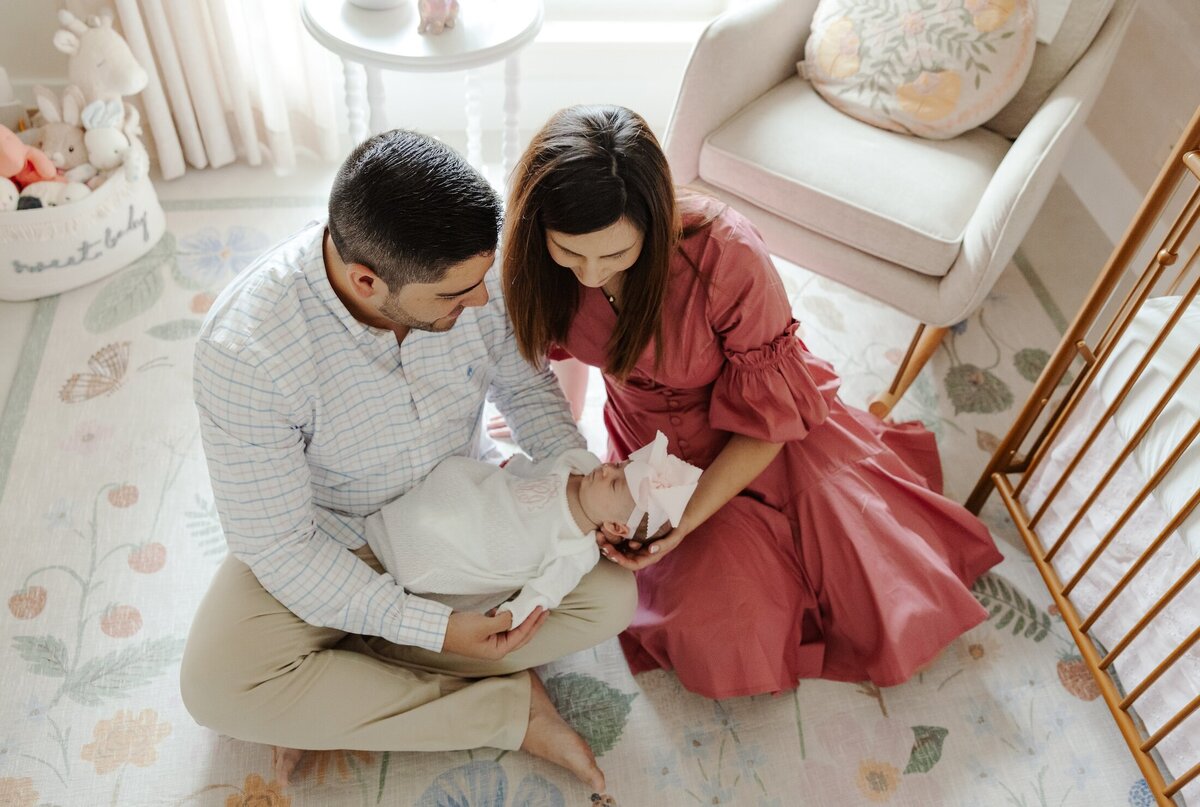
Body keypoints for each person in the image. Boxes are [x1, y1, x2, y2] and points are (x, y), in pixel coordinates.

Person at [179, 129, 636, 793]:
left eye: (481, 281)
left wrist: (583, 486)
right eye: (454, 296)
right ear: (367, 280)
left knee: (610, 598)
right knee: (217, 687)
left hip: (474, 512)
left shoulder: (473, 262)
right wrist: (435, 628)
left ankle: (342, 684)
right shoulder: (245, 352)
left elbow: (529, 389)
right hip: (339, 540)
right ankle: (502, 708)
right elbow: (278, 550)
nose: (481, 301)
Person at [501, 105, 1005, 700]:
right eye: (570, 253)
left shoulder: (726, 253)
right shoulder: (538, 262)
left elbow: (770, 423)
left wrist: (686, 522)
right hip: (655, 452)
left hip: (768, 431)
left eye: (613, 255)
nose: (588, 275)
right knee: (723, 635)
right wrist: (571, 458)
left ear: (655, 222)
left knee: (878, 589)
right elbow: (558, 356)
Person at [364, 432, 698, 629]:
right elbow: (530, 471)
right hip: (483, 501)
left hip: (482, 548)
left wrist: (509, 616)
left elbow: (544, 594)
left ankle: (398, 573)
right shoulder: (578, 464)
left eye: (614, 484)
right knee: (445, 501)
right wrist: (511, 469)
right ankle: (393, 526)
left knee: (441, 547)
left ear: (614, 526)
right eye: (620, 464)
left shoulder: (575, 549)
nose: (608, 469)